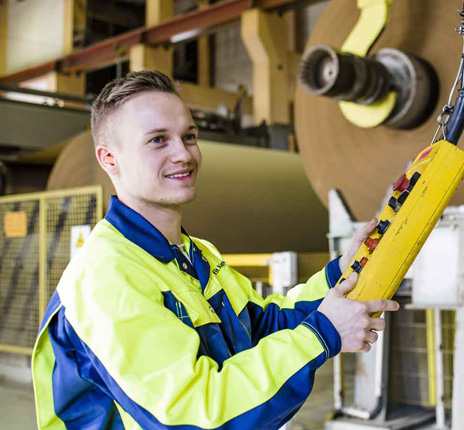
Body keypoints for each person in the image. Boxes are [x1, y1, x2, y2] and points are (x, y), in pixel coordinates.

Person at [32, 70, 399, 430]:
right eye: (158, 140)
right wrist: (321, 334)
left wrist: (342, 272)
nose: (183, 154)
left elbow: (264, 324)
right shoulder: (104, 276)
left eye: (189, 136)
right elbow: (192, 415)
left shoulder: (195, 254)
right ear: (109, 159)